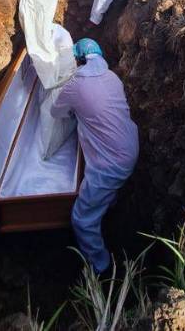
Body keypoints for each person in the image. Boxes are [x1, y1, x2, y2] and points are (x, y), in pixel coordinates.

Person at [52, 38, 139, 275]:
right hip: (130, 145)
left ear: (78, 60)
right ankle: (109, 208)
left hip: (111, 163)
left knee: (82, 219)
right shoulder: (112, 77)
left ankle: (101, 268)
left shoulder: (75, 86)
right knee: (105, 193)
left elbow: (56, 112)